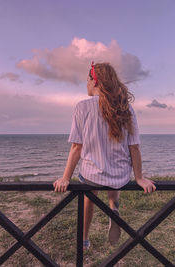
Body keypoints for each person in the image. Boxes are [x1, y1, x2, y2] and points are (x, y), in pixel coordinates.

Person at [53, 62, 156, 250]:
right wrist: (139, 178)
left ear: (95, 82)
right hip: (121, 176)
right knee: (114, 171)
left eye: (87, 80)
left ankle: (84, 238)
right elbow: (134, 148)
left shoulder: (82, 107)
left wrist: (65, 177)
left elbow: (77, 147)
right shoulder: (126, 108)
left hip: (93, 176)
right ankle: (113, 207)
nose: (86, 84)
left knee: (89, 189)